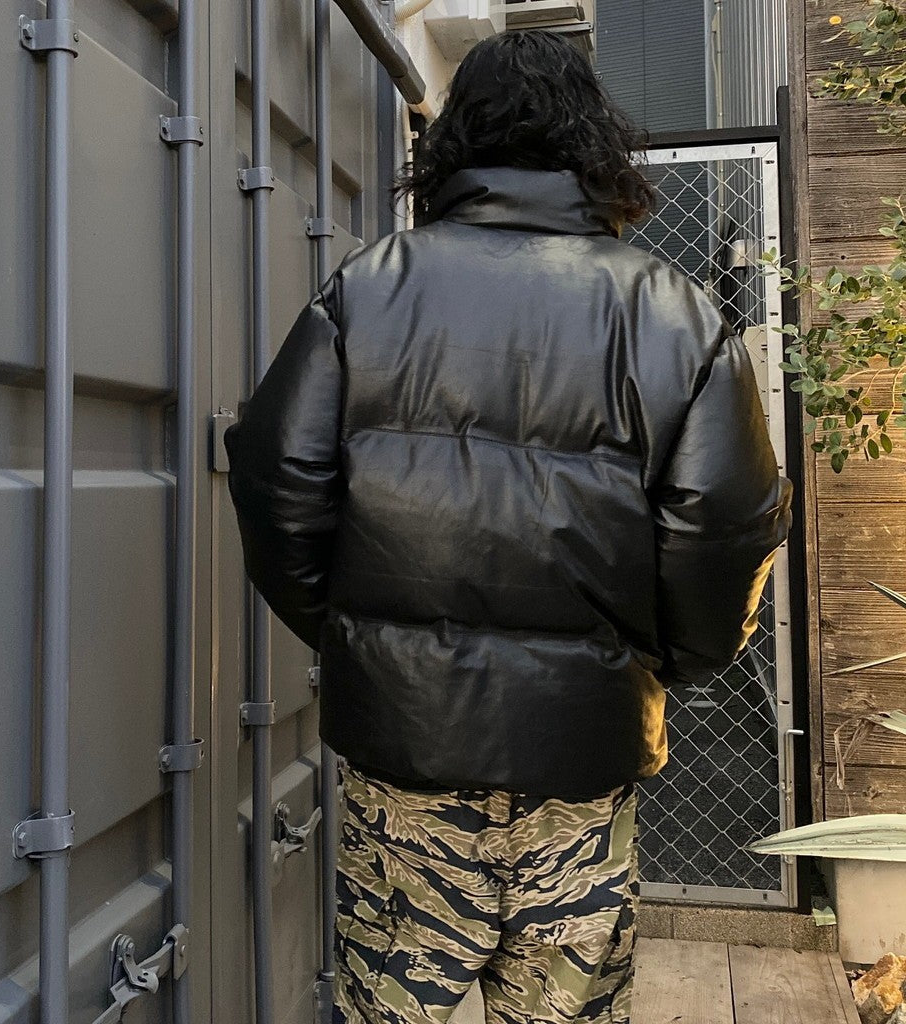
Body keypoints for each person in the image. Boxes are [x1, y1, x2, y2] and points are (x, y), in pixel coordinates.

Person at [225, 30, 792, 1024]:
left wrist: (362, 639)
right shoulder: (673, 313)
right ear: (594, 143)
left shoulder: (369, 286)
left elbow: (277, 480)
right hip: (583, 758)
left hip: (406, 753)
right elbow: (728, 525)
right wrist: (660, 661)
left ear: (456, 143)